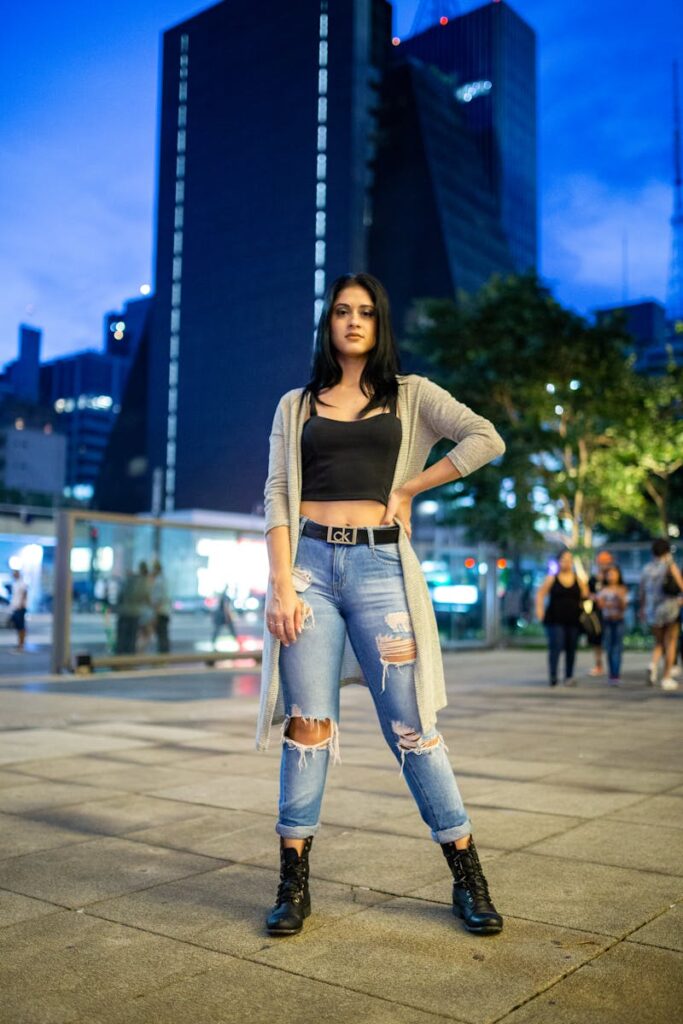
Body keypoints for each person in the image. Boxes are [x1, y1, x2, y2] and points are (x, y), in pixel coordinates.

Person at [259, 272, 506, 938]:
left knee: (412, 728)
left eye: (365, 311)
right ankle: (292, 883)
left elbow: (485, 439)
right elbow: (277, 496)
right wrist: (280, 584)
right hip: (309, 569)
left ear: (379, 323)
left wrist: (413, 489)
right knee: (307, 724)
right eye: (341, 311)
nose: (352, 321)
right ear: (328, 323)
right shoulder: (296, 404)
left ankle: (467, 877)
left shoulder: (411, 395)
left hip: (378, 570)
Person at [535, 550, 589, 687]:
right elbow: (540, 594)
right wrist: (539, 611)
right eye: (564, 559)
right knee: (556, 646)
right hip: (555, 618)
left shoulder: (578, 578)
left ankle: (569, 676)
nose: (567, 562)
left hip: (573, 618)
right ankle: (553, 675)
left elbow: (586, 594)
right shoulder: (552, 578)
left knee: (572, 647)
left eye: (570, 560)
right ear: (558, 562)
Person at [639, 539, 683, 690]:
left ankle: (653, 664)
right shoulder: (670, 566)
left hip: (653, 610)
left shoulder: (647, 568)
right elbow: (681, 585)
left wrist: (642, 609)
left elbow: (642, 592)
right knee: (670, 642)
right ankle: (666, 677)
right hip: (670, 608)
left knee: (659, 642)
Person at [596, 565, 628, 685]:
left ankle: (616, 674)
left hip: (619, 620)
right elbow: (601, 605)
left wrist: (619, 599)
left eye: (614, 573)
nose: (612, 576)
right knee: (609, 647)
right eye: (609, 574)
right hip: (607, 621)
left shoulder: (622, 589)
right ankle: (611, 673)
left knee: (617, 647)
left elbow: (624, 606)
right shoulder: (603, 589)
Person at [587, 551, 613, 677]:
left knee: (610, 640)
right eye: (601, 562)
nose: (603, 565)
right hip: (597, 613)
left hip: (611, 613)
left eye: (606, 563)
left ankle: (613, 666)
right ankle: (599, 665)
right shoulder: (593, 579)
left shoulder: (613, 577)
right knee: (596, 640)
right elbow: (587, 593)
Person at [150, 560, 171, 653]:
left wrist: (155, 614)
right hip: (166, 611)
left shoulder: (158, 582)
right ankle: (164, 658)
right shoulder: (165, 580)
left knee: (161, 636)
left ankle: (162, 658)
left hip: (160, 612)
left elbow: (157, 600)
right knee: (164, 635)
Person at [8, 568, 28, 652]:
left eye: (15, 573)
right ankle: (19, 644)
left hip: (20, 608)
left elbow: (25, 594)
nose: (14, 575)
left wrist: (21, 604)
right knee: (17, 626)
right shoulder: (15, 584)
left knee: (21, 626)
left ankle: (21, 645)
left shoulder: (22, 583)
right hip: (15, 607)